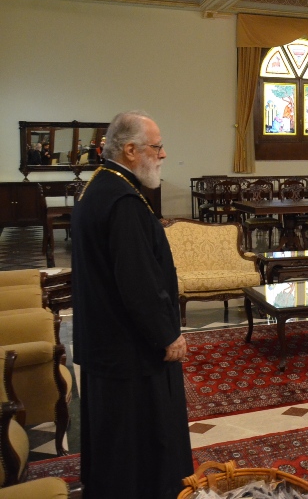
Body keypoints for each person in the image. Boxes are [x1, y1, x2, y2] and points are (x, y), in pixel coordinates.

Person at [71, 111, 192, 499]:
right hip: (130, 349)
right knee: (139, 442)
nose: (163, 154)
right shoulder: (123, 201)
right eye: (157, 147)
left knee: (114, 440)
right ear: (129, 150)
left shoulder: (100, 186)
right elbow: (138, 283)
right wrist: (167, 335)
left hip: (106, 339)